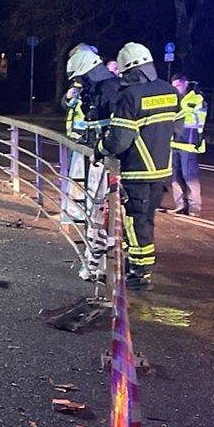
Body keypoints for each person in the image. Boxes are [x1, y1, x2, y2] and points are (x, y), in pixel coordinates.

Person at [102, 42, 181, 290]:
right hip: (162, 171)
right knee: (147, 219)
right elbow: (177, 128)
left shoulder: (130, 96)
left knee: (135, 221)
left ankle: (139, 273)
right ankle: (140, 268)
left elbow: (119, 141)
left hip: (137, 170)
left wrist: (100, 148)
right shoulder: (169, 90)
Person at [63, 44, 120, 280]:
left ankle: (101, 264)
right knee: (94, 211)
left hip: (109, 160)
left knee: (103, 213)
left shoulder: (109, 89)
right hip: (97, 156)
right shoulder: (95, 88)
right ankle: (94, 261)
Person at [169, 74, 207, 215]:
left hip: (188, 144)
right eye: (173, 86)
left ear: (185, 84)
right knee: (174, 177)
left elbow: (198, 120)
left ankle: (194, 207)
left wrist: (179, 114)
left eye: (178, 85)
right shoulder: (173, 99)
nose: (176, 89)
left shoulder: (196, 98)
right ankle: (179, 205)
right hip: (173, 143)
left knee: (189, 177)